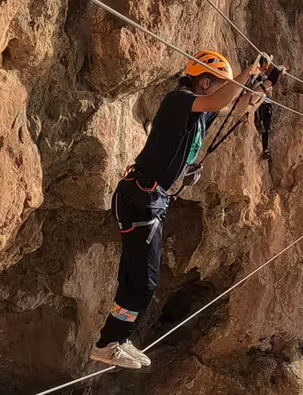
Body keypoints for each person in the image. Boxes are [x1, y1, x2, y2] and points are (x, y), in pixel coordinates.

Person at [91, 50, 265, 370]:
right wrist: (244, 74)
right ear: (205, 80)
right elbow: (218, 100)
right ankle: (109, 343)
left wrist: (257, 85)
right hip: (140, 200)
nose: (218, 91)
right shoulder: (179, 100)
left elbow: (235, 106)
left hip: (150, 200)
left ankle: (115, 338)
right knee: (142, 282)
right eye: (218, 84)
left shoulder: (198, 111)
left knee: (138, 279)